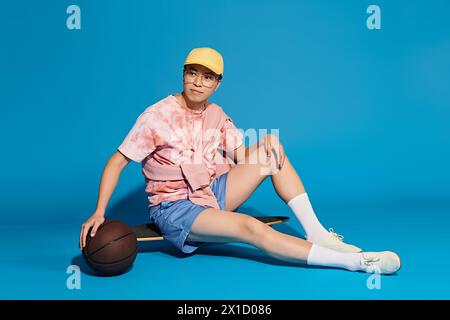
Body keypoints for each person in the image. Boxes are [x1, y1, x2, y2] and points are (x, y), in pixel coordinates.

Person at [79, 47, 401, 274]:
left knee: (271, 147)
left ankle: (317, 232)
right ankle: (356, 263)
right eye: (192, 73)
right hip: (176, 208)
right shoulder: (156, 116)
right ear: (183, 75)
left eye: (207, 78)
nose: (198, 82)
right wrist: (99, 211)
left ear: (217, 84)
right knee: (249, 226)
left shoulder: (216, 115)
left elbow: (244, 158)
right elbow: (117, 162)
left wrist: (261, 164)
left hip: (211, 194)